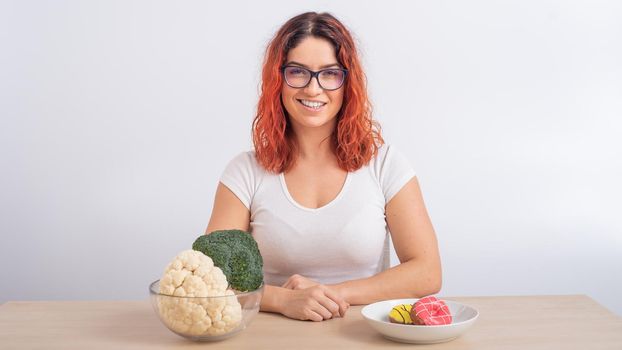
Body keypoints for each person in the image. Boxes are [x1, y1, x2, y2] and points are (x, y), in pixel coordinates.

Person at [206, 12, 441, 322]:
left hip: (362, 337)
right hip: (271, 337)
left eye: (329, 73)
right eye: (297, 72)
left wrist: (332, 294)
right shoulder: (244, 172)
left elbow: (427, 273)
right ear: (278, 80)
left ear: (348, 82)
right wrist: (284, 300)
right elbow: (209, 275)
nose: (313, 89)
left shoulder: (386, 165)